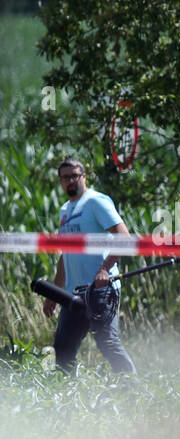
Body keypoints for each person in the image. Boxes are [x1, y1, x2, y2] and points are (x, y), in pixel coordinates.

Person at [44, 158, 135, 374]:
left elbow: (125, 238)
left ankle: (134, 392)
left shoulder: (97, 202)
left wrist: (104, 269)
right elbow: (66, 254)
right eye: (65, 177)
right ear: (60, 182)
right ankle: (67, 400)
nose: (70, 181)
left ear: (84, 177)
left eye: (75, 175)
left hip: (100, 291)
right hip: (73, 294)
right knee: (63, 350)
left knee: (108, 344)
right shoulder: (65, 210)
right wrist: (55, 293)